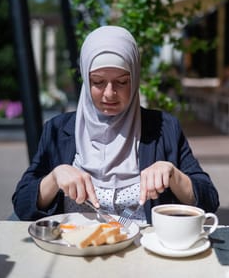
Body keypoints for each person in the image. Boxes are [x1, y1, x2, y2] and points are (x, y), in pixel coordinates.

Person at [12, 25, 219, 224]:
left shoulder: (164, 128)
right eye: (98, 82)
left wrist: (173, 175)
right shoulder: (58, 130)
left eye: (121, 82)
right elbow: (22, 205)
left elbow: (209, 200)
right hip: (74, 251)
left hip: (145, 254)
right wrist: (54, 177)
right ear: (86, 79)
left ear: (135, 78)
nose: (109, 94)